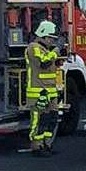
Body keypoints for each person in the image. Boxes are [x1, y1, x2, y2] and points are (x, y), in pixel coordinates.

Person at [25, 20, 62, 155]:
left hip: (50, 92)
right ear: (44, 36)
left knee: (51, 118)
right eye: (51, 38)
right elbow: (43, 62)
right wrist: (56, 51)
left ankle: (47, 144)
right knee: (38, 120)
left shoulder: (46, 49)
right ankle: (36, 146)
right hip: (38, 92)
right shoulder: (33, 47)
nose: (52, 41)